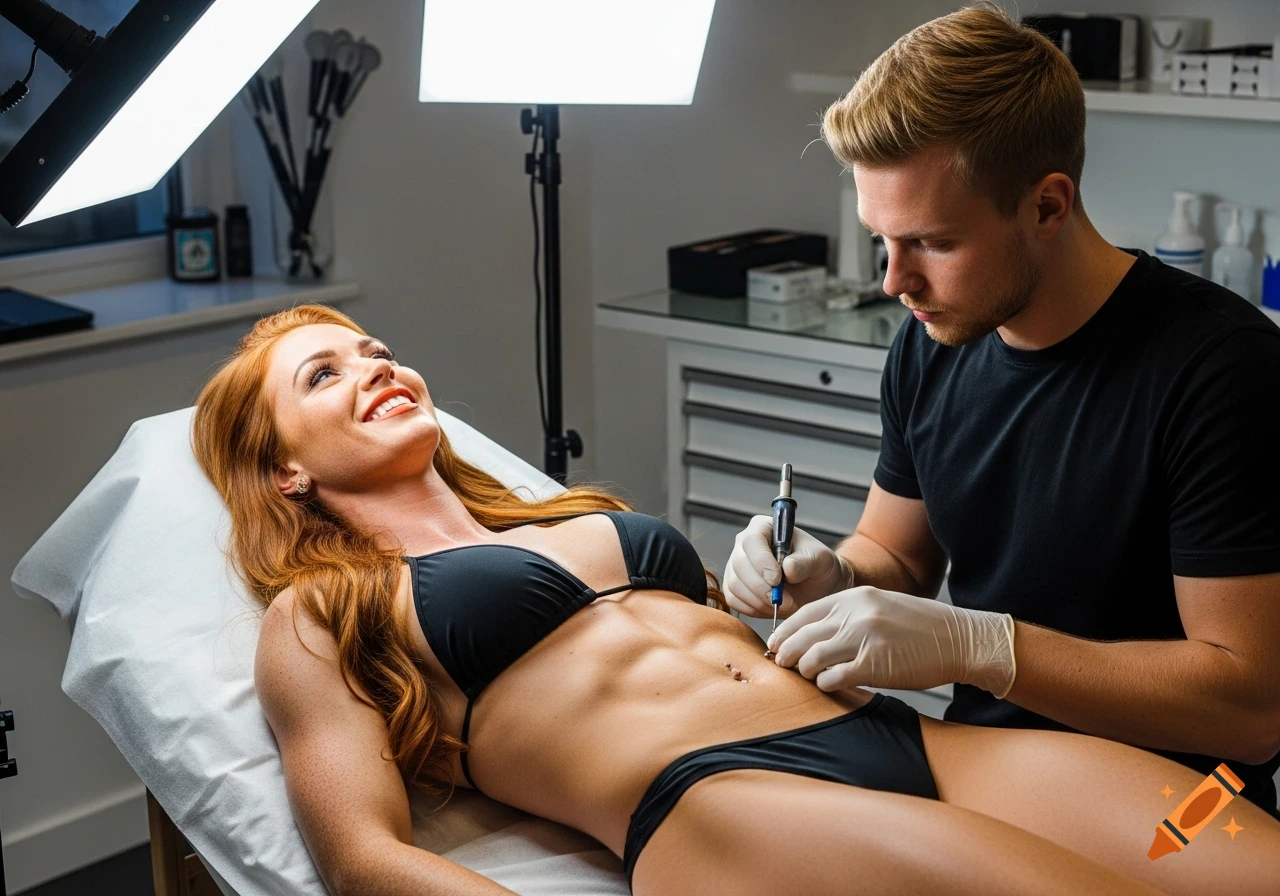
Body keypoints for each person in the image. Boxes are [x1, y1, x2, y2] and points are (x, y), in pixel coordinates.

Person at [189, 303, 1280, 896]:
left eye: (376, 349)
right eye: (324, 375)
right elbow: (363, 857)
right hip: (724, 806)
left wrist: (817, 580)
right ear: (284, 470)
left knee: (1230, 856)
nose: (375, 368)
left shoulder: (573, 514)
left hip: (896, 735)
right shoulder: (322, 613)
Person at [724, 2, 1280, 822]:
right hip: (994, 771)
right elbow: (896, 553)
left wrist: (982, 646)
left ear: (1048, 206)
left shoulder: (1221, 370)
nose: (893, 282)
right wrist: (832, 576)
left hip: (1189, 808)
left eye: (932, 243)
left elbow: (1252, 711)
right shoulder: (932, 341)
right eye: (882, 240)